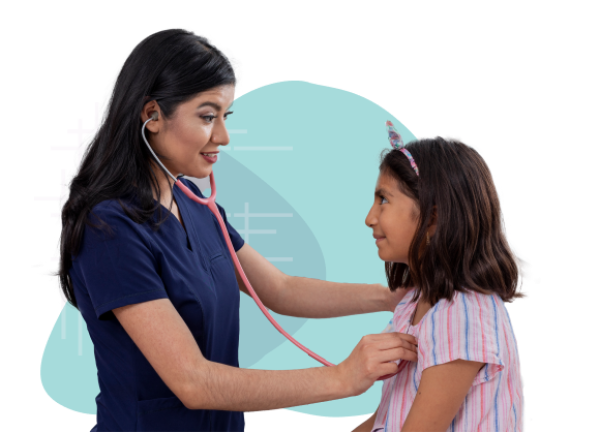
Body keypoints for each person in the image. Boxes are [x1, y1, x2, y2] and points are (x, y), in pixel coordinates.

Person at [50, 27, 418, 432]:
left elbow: (279, 289)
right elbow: (193, 381)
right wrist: (343, 378)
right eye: (207, 117)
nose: (222, 137)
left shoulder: (192, 201)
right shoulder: (109, 229)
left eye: (225, 117)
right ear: (151, 115)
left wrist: (391, 297)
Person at [350, 124, 529, 432]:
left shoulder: (463, 316)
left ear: (432, 217)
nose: (370, 217)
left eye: (384, 200)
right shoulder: (415, 304)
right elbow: (389, 417)